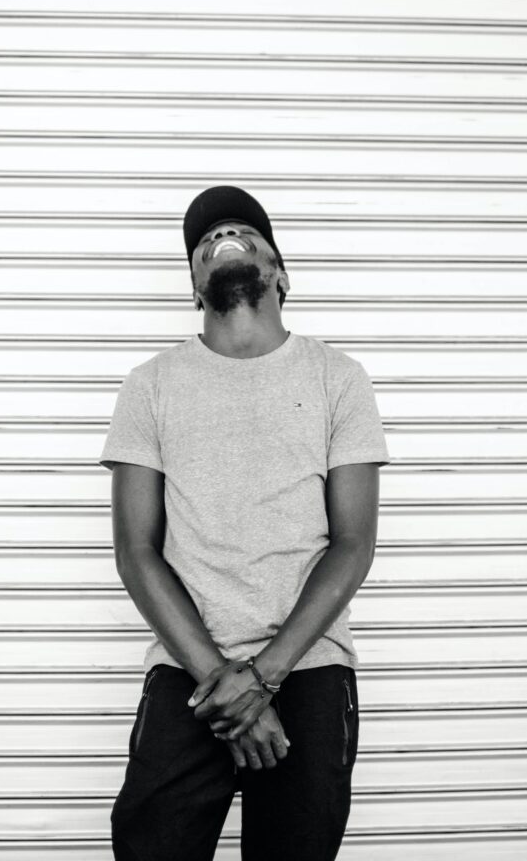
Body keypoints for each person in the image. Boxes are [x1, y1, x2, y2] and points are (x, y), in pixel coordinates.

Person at [99, 185, 391, 861]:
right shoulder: (149, 384)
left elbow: (352, 544)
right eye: (202, 241)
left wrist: (263, 677)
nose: (218, 237)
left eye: (242, 231)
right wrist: (222, 685)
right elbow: (136, 552)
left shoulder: (338, 378)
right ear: (193, 288)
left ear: (281, 275)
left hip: (310, 667)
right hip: (186, 672)